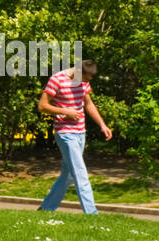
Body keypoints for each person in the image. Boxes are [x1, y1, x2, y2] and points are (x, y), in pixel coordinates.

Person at [37, 59, 112, 214]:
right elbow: (42, 106)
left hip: (80, 132)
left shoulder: (82, 80)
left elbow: (88, 104)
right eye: (85, 78)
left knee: (69, 175)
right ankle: (92, 214)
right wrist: (66, 111)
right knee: (80, 173)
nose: (86, 82)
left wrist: (102, 125)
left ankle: (46, 208)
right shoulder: (56, 80)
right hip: (65, 133)